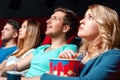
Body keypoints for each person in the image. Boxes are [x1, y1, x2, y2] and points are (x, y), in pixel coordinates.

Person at [21, 4, 120, 80]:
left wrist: (45, 77)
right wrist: (61, 65)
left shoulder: (114, 55)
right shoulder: (81, 56)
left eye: (90, 17)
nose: (81, 21)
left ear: (105, 26)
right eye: (84, 17)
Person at [0, 7, 78, 78]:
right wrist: (3, 71)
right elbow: (16, 66)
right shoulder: (41, 48)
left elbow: (53, 77)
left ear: (65, 28)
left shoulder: (69, 48)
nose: (47, 21)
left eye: (54, 18)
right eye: (49, 18)